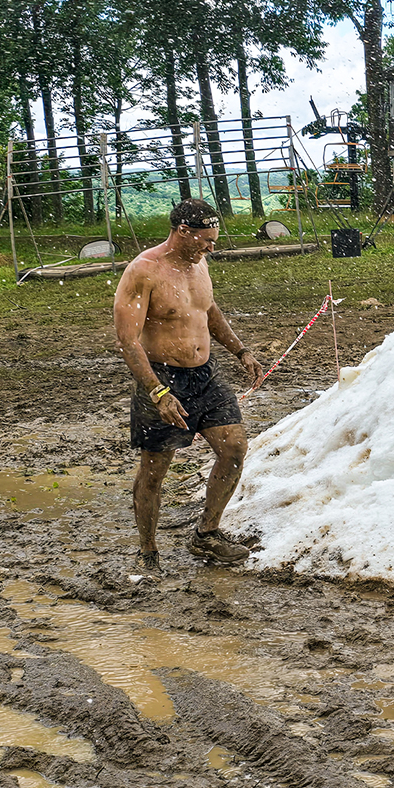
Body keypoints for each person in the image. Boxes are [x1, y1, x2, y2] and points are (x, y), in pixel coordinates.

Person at [114, 198, 265, 572]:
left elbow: (208, 309)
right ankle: (148, 550)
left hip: (206, 374)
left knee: (234, 448)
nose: (210, 248)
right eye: (204, 240)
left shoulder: (200, 263)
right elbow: (128, 340)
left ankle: (206, 534)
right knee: (154, 470)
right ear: (182, 231)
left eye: (213, 241)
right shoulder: (144, 271)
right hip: (163, 378)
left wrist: (240, 350)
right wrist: (157, 391)